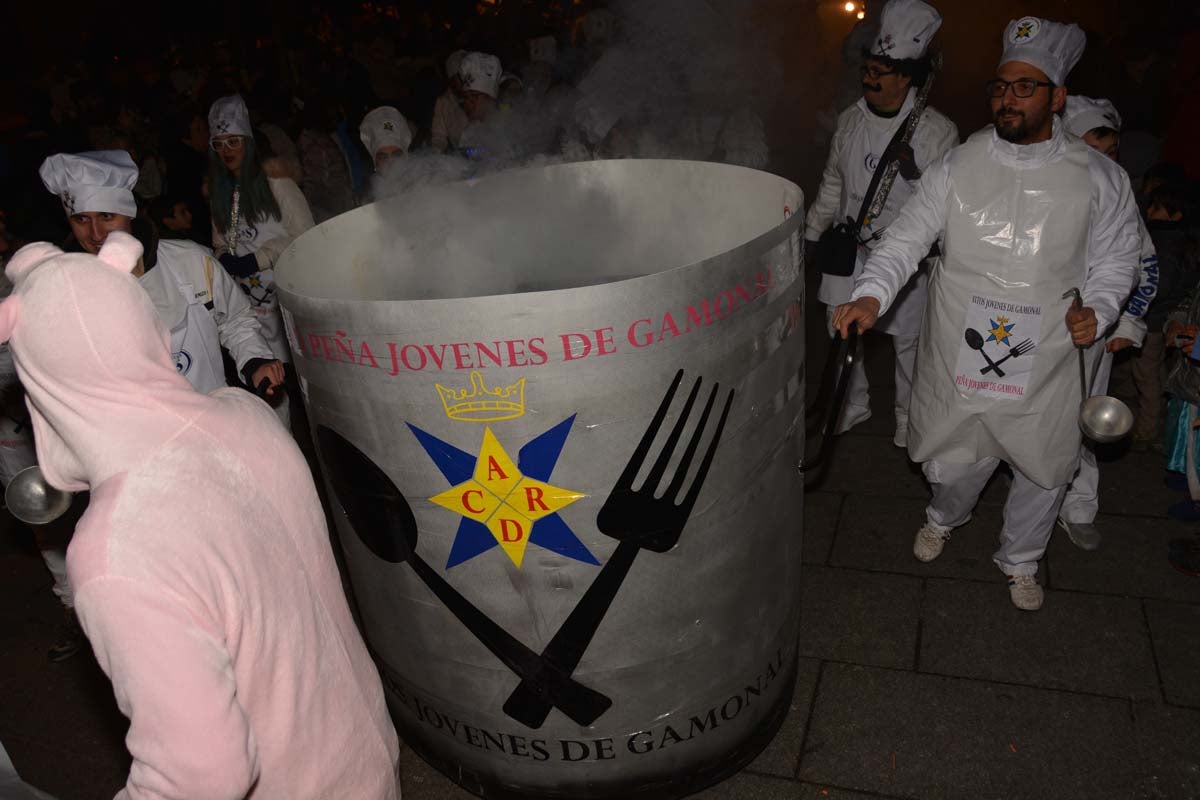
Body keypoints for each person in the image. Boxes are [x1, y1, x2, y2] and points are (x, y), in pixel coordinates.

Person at [0, 233, 400, 797]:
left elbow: (201, 773)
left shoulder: (118, 548)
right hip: (364, 754)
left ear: (40, 383)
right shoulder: (246, 415)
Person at [834, 16, 1142, 610]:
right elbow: (905, 239)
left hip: (1050, 353)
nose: (1007, 98)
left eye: (1025, 87)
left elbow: (1116, 257)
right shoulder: (960, 165)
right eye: (1000, 87)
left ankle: (1021, 558)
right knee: (953, 462)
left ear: (1057, 97)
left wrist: (1101, 310)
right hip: (961, 340)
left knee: (1043, 468)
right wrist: (872, 292)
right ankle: (942, 517)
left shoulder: (1100, 177)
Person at [805, 0, 959, 447]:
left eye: (882, 70)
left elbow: (945, 202)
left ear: (907, 77)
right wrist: (814, 233)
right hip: (850, 246)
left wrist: (912, 171)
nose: (870, 77)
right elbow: (834, 181)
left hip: (904, 258)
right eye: (868, 67)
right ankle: (852, 404)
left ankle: (909, 415)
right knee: (841, 326)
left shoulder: (936, 131)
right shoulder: (851, 121)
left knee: (909, 343)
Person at [39, 150, 283, 398]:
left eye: (106, 216)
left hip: (216, 419)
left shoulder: (190, 261)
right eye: (81, 219)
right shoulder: (68, 292)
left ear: (129, 214)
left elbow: (235, 320)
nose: (96, 234)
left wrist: (255, 361)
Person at [1056, 96, 1159, 550]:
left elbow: (1144, 265)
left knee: (1085, 418)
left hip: (1093, 333)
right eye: (1096, 146)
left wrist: (1126, 324)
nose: (1106, 159)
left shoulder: (1119, 195)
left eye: (1113, 151)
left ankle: (1078, 505)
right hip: (1030, 332)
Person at [208, 94, 315, 423]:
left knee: (303, 383)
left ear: (248, 142)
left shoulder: (277, 183)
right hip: (249, 306)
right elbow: (219, 242)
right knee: (268, 382)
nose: (227, 150)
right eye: (220, 143)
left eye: (234, 141)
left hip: (287, 298)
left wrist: (261, 258)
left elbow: (307, 234)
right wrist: (225, 257)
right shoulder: (219, 191)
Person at [431, 50, 469, 153]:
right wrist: (436, 153)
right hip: (459, 157)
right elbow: (438, 137)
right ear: (451, 80)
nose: (465, 81)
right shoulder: (443, 102)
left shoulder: (481, 97)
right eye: (460, 77)